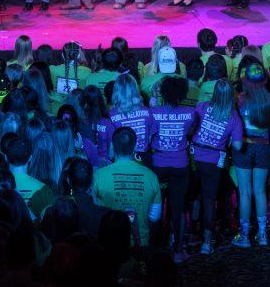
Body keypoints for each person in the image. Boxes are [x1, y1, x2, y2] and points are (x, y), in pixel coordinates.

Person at [190, 79, 243, 255]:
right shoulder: (234, 116)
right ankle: (206, 242)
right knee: (209, 200)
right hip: (214, 162)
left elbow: (191, 128)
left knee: (194, 198)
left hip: (194, 157)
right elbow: (237, 146)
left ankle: (191, 234)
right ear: (231, 96)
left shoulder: (202, 106)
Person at [148, 76, 197, 263]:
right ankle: (177, 251)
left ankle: (155, 247)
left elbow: (148, 137)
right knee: (178, 209)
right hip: (180, 164)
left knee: (156, 207)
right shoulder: (190, 113)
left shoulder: (153, 113)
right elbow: (191, 133)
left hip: (159, 164)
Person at [92, 126, 161, 247]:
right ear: (134, 147)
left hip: (109, 245)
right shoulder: (151, 177)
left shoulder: (98, 176)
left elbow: (95, 212)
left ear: (112, 147)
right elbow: (155, 217)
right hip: (140, 245)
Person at [233, 62, 270, 247]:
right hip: (263, 148)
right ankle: (262, 234)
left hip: (244, 147)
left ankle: (244, 237)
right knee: (260, 191)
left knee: (244, 192)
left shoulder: (240, 100)